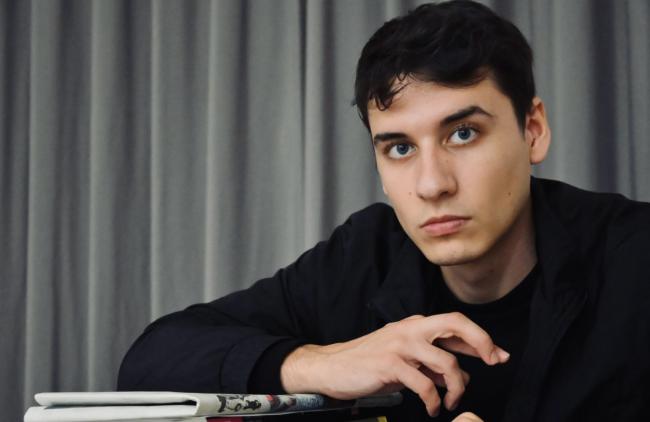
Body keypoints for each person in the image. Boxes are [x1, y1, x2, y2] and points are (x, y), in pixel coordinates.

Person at [117, 1, 650, 421]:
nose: (432, 184)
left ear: (532, 130)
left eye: (463, 134)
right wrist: (319, 363)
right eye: (399, 147)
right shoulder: (365, 255)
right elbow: (151, 360)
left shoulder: (635, 259)